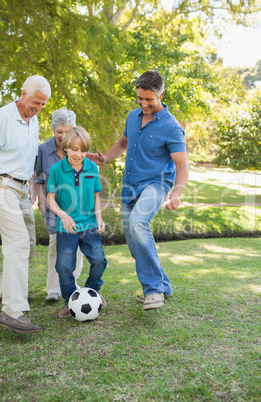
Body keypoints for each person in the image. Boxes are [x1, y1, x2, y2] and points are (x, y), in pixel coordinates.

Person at [87, 70, 189, 311]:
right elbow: (123, 142)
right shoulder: (133, 117)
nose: (143, 104)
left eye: (149, 100)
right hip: (130, 185)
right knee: (134, 243)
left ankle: (153, 290)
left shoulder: (172, 127)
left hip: (156, 183)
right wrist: (106, 158)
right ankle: (163, 283)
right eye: (139, 99)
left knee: (137, 222)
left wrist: (176, 192)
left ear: (161, 95)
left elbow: (182, 164)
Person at [0, 75, 51, 333]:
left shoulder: (34, 120)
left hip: (21, 188)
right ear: (23, 93)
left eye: (43, 105)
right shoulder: (3, 118)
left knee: (28, 242)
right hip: (0, 185)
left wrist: (29, 183)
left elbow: (29, 156)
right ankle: (13, 310)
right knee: (16, 241)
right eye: (36, 102)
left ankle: (3, 290)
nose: (38, 108)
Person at [47, 126, 107, 318]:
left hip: (89, 223)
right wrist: (63, 215)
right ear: (66, 148)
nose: (78, 154)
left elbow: (97, 196)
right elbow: (50, 199)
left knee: (99, 260)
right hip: (67, 226)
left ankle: (92, 293)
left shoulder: (92, 167)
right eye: (74, 149)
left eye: (82, 150)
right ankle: (70, 300)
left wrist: (99, 218)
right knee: (64, 265)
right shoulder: (57, 169)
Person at [35, 107, 83, 301]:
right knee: (56, 245)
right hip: (53, 205)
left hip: (76, 206)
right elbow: (38, 178)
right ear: (53, 130)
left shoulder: (78, 147)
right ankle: (53, 289)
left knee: (76, 247)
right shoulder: (43, 150)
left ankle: (71, 281)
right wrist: (40, 198)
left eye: (67, 131)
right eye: (59, 132)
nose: (63, 136)